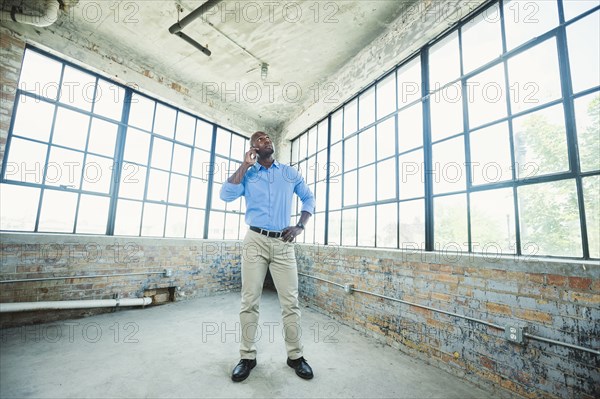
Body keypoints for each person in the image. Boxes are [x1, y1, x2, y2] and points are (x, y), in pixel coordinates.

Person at [220, 131, 315, 382]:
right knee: (249, 300)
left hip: (284, 243)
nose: (267, 140)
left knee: (290, 302)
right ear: (253, 148)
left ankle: (295, 356)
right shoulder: (248, 175)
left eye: (268, 138)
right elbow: (226, 195)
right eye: (260, 139)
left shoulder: (289, 173)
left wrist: (300, 226)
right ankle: (247, 357)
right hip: (255, 241)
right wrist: (244, 165)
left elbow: (308, 197)